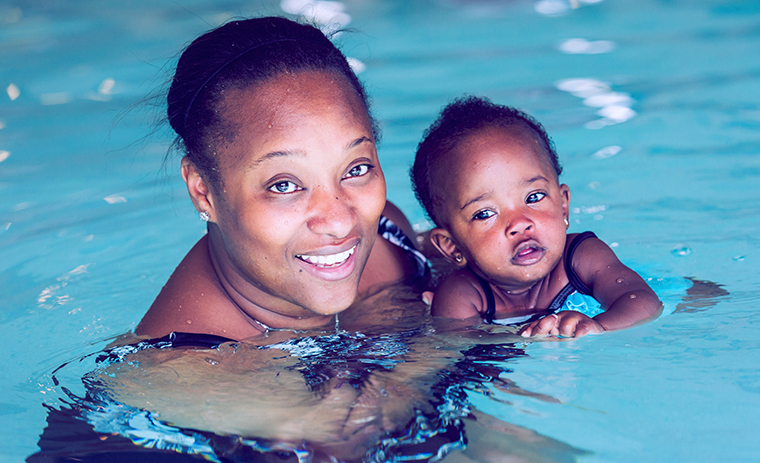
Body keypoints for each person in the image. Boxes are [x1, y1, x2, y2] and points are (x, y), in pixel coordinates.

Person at [135, 17, 427, 341]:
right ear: (203, 192)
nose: (340, 223)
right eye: (284, 185)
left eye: (355, 169)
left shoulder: (390, 237)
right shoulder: (186, 368)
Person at [411, 96, 662, 338]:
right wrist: (525, 338)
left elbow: (643, 301)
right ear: (452, 245)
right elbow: (459, 344)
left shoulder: (582, 257)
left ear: (563, 206)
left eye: (534, 197)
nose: (519, 223)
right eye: (484, 213)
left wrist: (598, 326)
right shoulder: (461, 294)